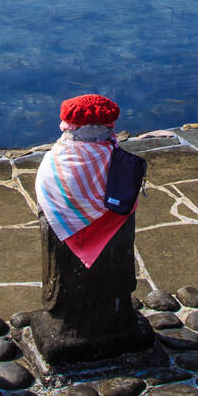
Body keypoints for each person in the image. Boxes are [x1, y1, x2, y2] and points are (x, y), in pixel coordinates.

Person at [28, 94, 153, 365]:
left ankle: (70, 317)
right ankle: (116, 309)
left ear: (68, 126)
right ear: (110, 127)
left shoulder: (54, 168)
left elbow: (49, 218)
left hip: (66, 282)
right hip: (114, 281)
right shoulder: (122, 172)